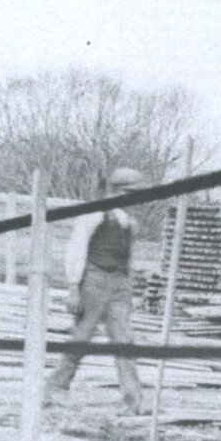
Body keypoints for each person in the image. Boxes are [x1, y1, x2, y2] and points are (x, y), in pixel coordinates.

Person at [47, 166, 146, 412]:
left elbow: (127, 259)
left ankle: (132, 400)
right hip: (94, 278)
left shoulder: (130, 223)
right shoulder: (93, 215)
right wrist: (73, 287)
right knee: (82, 336)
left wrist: (129, 288)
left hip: (119, 283)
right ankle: (55, 388)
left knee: (124, 341)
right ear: (117, 190)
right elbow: (76, 249)